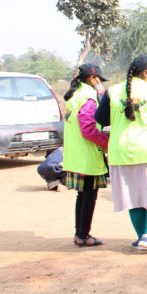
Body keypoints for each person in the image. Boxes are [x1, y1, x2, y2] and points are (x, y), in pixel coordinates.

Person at [95, 55, 147, 252]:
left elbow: (101, 119)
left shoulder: (112, 92)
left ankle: (141, 237)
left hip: (120, 152)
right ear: (146, 73)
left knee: (133, 196)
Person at [63, 64, 109, 247]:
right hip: (87, 155)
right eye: (99, 80)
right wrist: (108, 144)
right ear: (92, 79)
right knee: (90, 196)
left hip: (75, 155)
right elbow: (88, 129)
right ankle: (83, 234)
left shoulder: (72, 96)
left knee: (82, 195)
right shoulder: (88, 97)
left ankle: (79, 233)